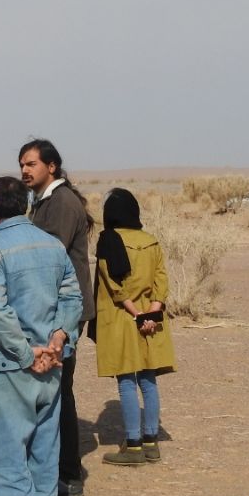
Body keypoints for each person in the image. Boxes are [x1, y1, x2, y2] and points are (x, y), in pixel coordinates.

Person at [0, 176, 82, 496]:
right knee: (43, 449)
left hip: (10, 368)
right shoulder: (52, 245)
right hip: (51, 365)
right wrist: (57, 340)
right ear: (25, 206)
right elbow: (72, 296)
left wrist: (25, 352)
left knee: (5, 453)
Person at [18, 138, 94, 496]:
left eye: (31, 164)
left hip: (66, 307)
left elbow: (49, 253)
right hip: (54, 305)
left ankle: (68, 472)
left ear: (52, 166)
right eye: (22, 165)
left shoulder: (62, 203)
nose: (24, 171)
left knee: (60, 390)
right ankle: (61, 466)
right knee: (54, 388)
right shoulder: (45, 201)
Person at [93, 188, 176, 466]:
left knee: (127, 382)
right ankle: (152, 442)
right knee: (149, 381)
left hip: (122, 320)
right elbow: (161, 282)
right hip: (151, 321)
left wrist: (136, 313)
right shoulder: (151, 241)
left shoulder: (109, 240)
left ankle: (133, 445)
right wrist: (152, 312)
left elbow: (114, 286)